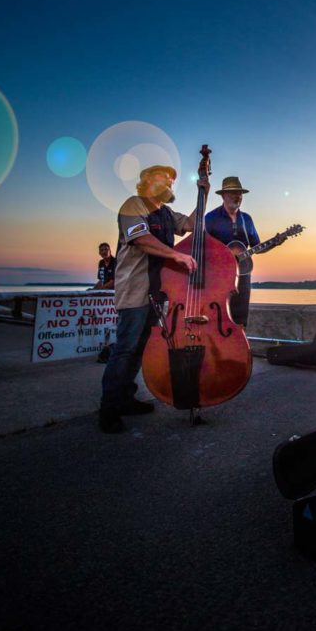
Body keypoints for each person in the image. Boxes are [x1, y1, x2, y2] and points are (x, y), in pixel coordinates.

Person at [98, 163, 209, 433]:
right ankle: (108, 409)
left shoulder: (168, 213)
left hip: (159, 293)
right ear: (147, 180)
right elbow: (141, 239)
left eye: (172, 181)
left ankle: (126, 398)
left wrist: (203, 193)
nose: (170, 183)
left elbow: (192, 224)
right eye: (164, 178)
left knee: (139, 350)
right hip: (135, 290)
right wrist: (176, 255)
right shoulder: (133, 205)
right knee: (124, 349)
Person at [204, 176, 268, 327]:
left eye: (239, 193)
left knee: (240, 318)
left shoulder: (246, 219)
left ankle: (239, 347)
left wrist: (275, 243)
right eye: (232, 192)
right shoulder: (211, 218)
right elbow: (202, 247)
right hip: (217, 276)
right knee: (218, 316)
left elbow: (256, 247)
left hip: (243, 276)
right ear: (223, 195)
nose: (237, 196)